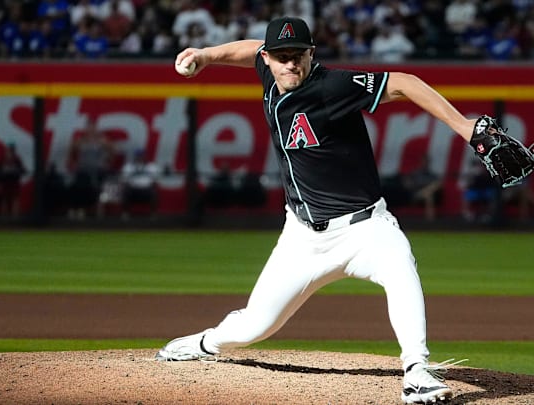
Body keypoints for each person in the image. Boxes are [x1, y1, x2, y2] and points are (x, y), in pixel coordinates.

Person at [157, 16, 479, 404]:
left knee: (400, 268)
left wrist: (463, 126)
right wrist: (208, 55)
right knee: (256, 326)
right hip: (303, 237)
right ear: (269, 58)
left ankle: (416, 371)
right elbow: (249, 51)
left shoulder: (333, 85)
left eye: (298, 55)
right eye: (281, 56)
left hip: (364, 228)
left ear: (312, 54)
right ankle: (204, 342)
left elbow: (404, 83)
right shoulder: (269, 68)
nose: (290, 64)